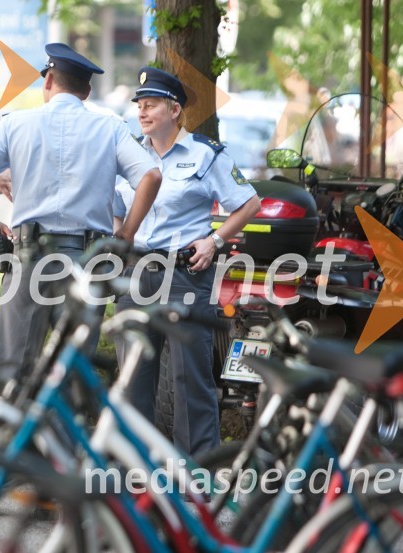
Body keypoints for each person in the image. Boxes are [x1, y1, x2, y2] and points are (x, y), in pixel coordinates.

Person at [0, 43, 163, 382]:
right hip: (87, 261)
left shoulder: (14, 124)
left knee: (11, 373)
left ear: (48, 80)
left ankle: (2, 437)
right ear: (87, 90)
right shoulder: (110, 129)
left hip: (28, 257)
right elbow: (151, 176)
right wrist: (126, 234)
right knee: (73, 377)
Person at [113, 67, 261, 457]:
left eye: (151, 105)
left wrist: (214, 241)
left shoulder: (204, 153)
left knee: (190, 380)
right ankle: (134, 476)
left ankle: (197, 477)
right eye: (139, 106)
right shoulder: (129, 154)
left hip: (185, 276)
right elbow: (114, 207)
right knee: (132, 379)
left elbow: (249, 203)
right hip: (135, 274)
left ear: (174, 109)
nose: (142, 113)